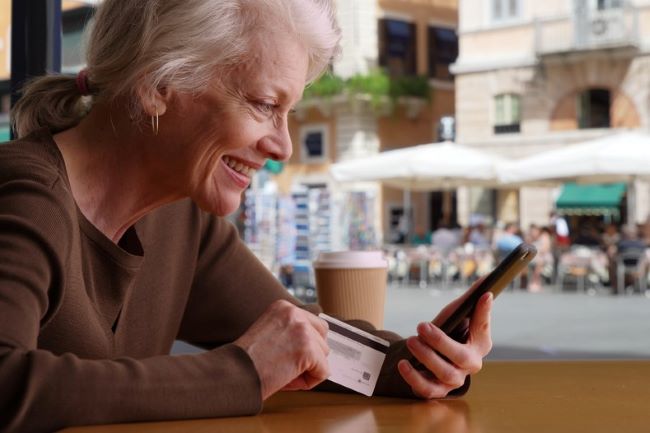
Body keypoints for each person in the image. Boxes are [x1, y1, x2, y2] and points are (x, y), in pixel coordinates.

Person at [0, 1, 493, 431]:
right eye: (263, 105)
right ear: (158, 83)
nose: (283, 145)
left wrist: (425, 362)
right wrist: (242, 374)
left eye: (288, 113)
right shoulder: (25, 195)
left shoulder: (182, 218)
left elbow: (300, 341)